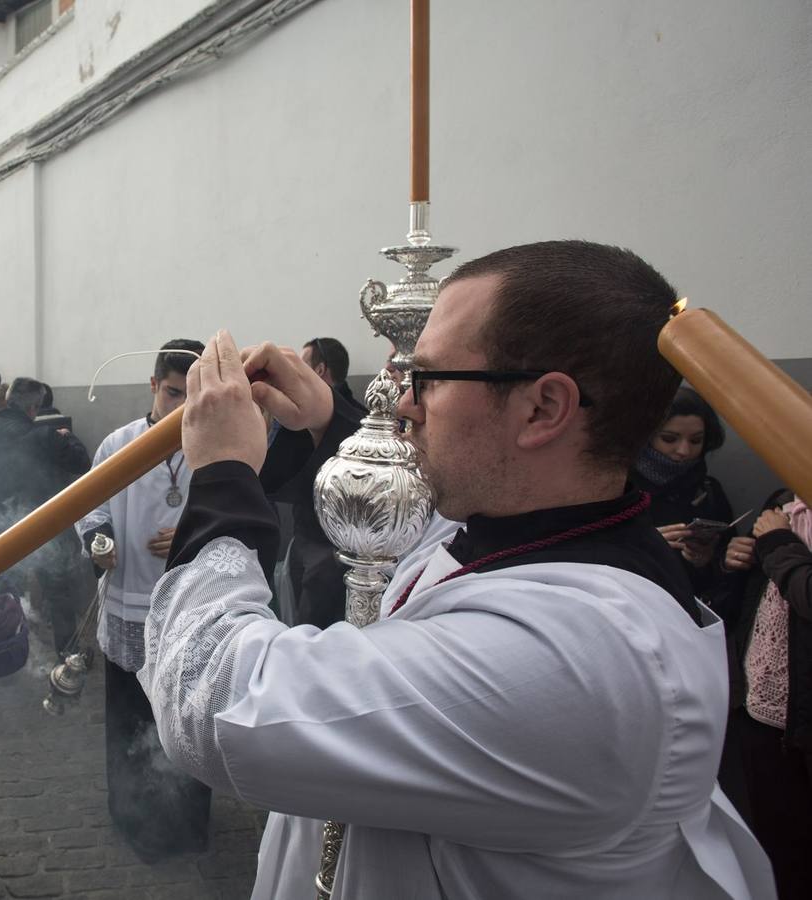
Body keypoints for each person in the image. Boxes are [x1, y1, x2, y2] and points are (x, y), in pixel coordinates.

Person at [138, 241, 773, 897]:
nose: (404, 402)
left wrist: (221, 475)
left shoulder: (566, 655)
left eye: (430, 378)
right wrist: (331, 424)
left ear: (542, 408)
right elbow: (417, 532)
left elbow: (213, 701)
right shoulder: (544, 534)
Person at [76, 338, 210, 860]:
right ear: (154, 386)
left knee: (189, 722)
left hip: (191, 608)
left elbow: (240, 516)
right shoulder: (118, 445)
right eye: (173, 393)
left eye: (191, 394)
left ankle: (189, 826)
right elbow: (90, 508)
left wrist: (190, 534)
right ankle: (135, 822)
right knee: (131, 721)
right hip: (131, 604)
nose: (182, 407)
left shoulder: (213, 443)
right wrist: (99, 541)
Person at [718, 490, 812, 898]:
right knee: (777, 846)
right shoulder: (782, 502)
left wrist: (777, 544)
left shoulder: (780, 529)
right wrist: (732, 561)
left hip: (803, 717)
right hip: (760, 707)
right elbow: (750, 602)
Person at [0, 377, 91, 654]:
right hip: (44, 528)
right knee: (58, 593)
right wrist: (68, 438)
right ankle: (68, 653)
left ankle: (1, 647)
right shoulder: (45, 436)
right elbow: (83, 463)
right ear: (34, 408)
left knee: (4, 589)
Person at [262, 335, 367, 628]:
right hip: (306, 546)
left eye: (301, 365)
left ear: (318, 371)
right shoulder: (299, 420)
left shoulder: (361, 424)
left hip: (328, 556)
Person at [632, 386, 734, 595]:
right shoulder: (615, 488)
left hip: (690, 610)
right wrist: (642, 544)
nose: (684, 451)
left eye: (696, 440)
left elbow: (720, 577)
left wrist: (706, 560)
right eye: (669, 439)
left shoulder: (708, 490)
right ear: (646, 435)